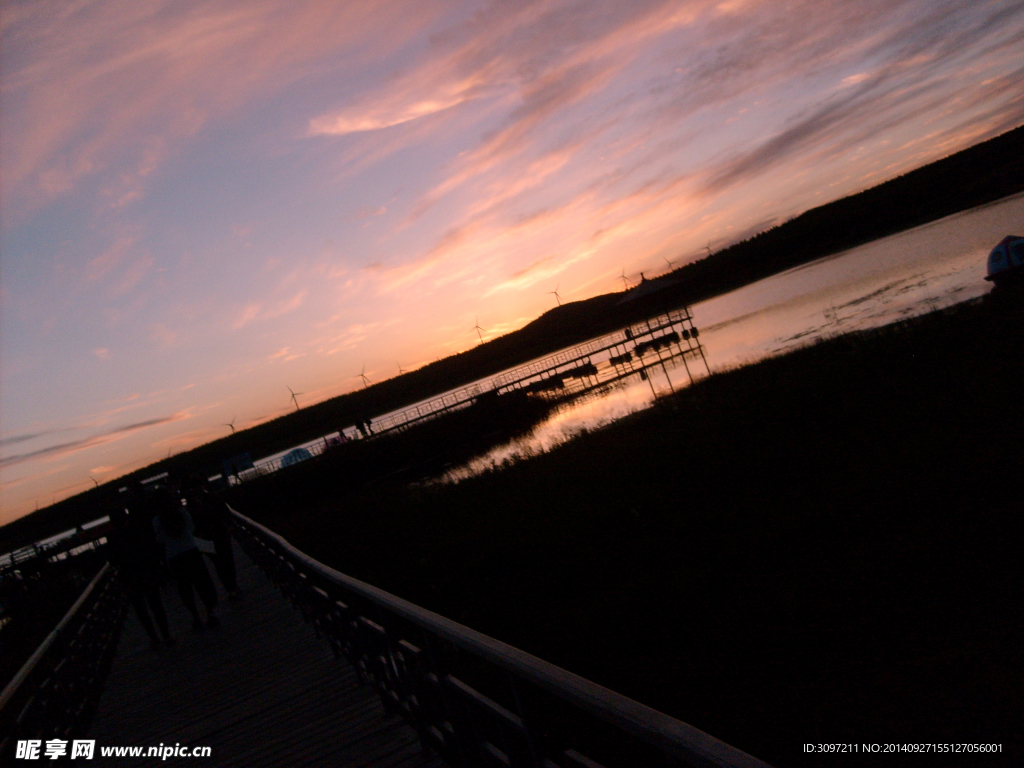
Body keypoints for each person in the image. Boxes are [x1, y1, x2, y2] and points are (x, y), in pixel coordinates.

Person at [106, 501, 174, 649]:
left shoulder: (112, 536)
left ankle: (154, 638)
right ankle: (166, 635)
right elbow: (150, 548)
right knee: (156, 605)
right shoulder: (137, 529)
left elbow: (112, 559)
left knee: (141, 610)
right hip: (146, 572)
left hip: (129, 577)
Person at [151, 489, 220, 630]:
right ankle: (210, 613)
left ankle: (195, 616)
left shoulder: (157, 521)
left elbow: (160, 540)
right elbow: (191, 528)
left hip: (174, 557)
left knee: (185, 589)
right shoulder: (181, 512)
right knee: (202, 583)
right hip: (191, 551)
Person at [182, 475, 239, 598]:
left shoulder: (209, 498)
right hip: (207, 538)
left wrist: (229, 525)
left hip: (220, 533)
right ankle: (230, 587)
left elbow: (225, 512)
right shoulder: (192, 505)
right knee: (219, 563)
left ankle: (232, 586)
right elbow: (192, 524)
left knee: (227, 561)